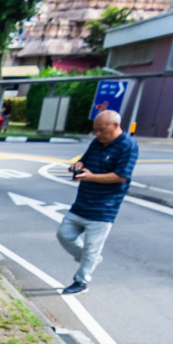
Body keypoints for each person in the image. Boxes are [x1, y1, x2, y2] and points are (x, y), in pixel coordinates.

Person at [57, 108, 137, 296]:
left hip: (105, 207)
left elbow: (121, 176)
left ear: (116, 126)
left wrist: (92, 177)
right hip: (82, 202)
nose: (98, 134)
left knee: (93, 247)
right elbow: (84, 160)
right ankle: (88, 259)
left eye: (102, 130)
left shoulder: (128, 145)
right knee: (64, 234)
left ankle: (81, 281)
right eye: (96, 130)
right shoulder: (97, 142)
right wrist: (78, 165)